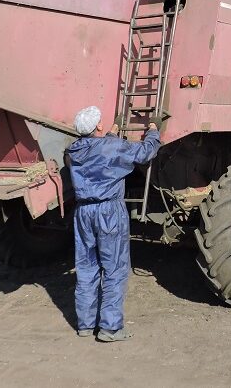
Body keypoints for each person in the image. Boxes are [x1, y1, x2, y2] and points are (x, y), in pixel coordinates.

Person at [66, 105, 161, 342]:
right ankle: (110, 328)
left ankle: (86, 325)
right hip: (109, 211)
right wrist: (153, 130)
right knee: (114, 268)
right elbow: (145, 153)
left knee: (86, 268)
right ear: (98, 126)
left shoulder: (72, 151)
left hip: (83, 213)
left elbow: (96, 150)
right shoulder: (112, 148)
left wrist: (113, 130)